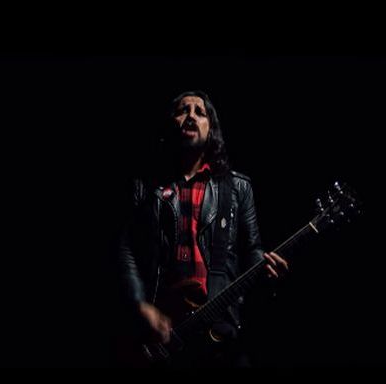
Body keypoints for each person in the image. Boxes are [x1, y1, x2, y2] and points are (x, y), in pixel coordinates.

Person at [116, 91, 288, 367]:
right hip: (162, 330)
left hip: (219, 330)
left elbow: (252, 249)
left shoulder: (237, 188)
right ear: (170, 124)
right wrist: (139, 305)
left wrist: (267, 270)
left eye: (200, 111)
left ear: (211, 128)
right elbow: (127, 250)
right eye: (183, 110)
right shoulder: (144, 187)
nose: (191, 116)